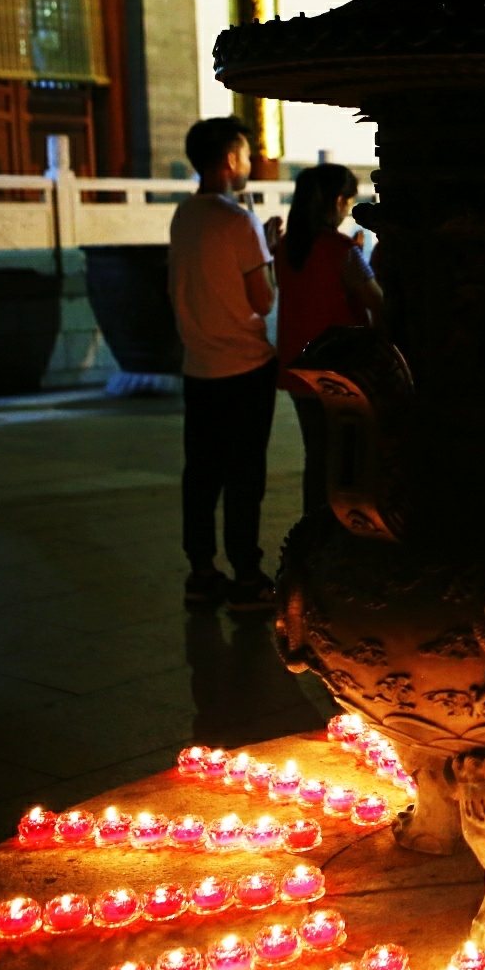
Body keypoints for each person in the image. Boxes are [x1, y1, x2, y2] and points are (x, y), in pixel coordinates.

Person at [168, 117, 280, 609]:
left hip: (199, 366)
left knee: (202, 473)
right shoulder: (239, 221)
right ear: (230, 161)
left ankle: (201, 570)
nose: (250, 163)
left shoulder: (183, 216)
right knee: (243, 475)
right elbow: (263, 300)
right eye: (246, 154)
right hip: (244, 365)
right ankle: (248, 575)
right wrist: (268, 259)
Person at [272, 163, 384, 515]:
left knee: (317, 456)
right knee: (345, 459)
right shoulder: (341, 249)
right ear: (338, 200)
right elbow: (376, 300)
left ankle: (313, 533)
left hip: (298, 369)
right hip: (339, 371)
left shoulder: (286, 248)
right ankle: (338, 532)